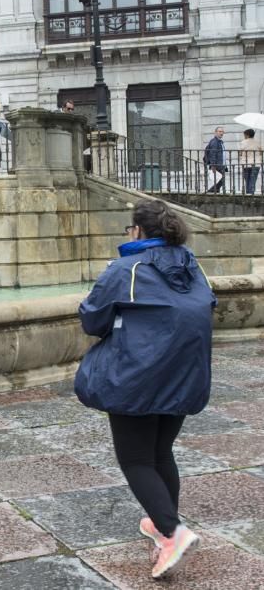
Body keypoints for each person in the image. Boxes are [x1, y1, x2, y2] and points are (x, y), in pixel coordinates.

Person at [75, 200, 215, 579]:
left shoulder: (126, 268)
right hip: (185, 374)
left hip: (137, 377)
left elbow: (92, 318)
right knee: (160, 451)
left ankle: (172, 532)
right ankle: (162, 521)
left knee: (136, 459)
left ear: (136, 231)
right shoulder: (192, 265)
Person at [203, 126, 226, 193]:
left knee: (220, 181)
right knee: (221, 180)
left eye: (222, 132)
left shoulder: (219, 142)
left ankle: (214, 193)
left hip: (220, 164)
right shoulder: (215, 142)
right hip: (217, 165)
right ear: (215, 132)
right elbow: (212, 154)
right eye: (219, 131)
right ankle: (210, 192)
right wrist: (213, 165)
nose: (221, 133)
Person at [240, 128, 262, 195]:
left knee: (247, 180)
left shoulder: (243, 142)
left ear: (247, 135)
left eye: (244, 135)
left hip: (246, 164)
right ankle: (251, 194)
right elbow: (261, 152)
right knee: (253, 180)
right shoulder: (258, 142)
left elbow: (240, 153)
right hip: (256, 164)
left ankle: (248, 194)